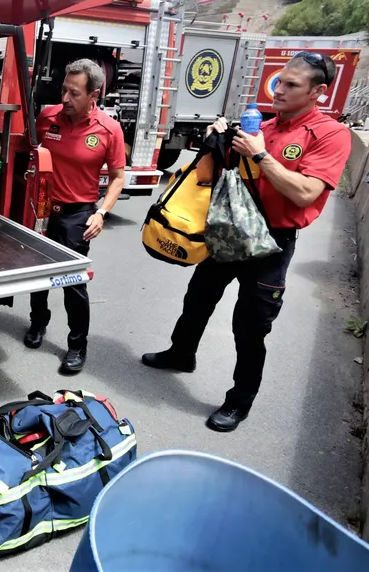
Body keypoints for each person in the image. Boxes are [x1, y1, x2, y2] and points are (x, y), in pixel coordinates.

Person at [142, 52, 352, 433]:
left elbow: (305, 193)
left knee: (250, 326)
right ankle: (181, 353)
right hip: (231, 230)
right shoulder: (265, 127)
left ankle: (239, 402)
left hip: (271, 242)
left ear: (318, 92)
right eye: (280, 82)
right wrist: (218, 142)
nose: (280, 90)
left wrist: (260, 154)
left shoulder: (330, 135)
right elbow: (229, 177)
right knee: (198, 297)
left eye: (292, 85)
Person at [25, 59, 126, 374]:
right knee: (38, 277)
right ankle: (37, 324)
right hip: (42, 210)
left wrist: (102, 212)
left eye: (74, 93)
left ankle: (77, 346)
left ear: (93, 95)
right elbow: (28, 151)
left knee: (73, 285)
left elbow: (118, 177)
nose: (65, 99)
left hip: (77, 215)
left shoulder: (109, 129)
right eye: (63, 90)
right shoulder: (47, 117)